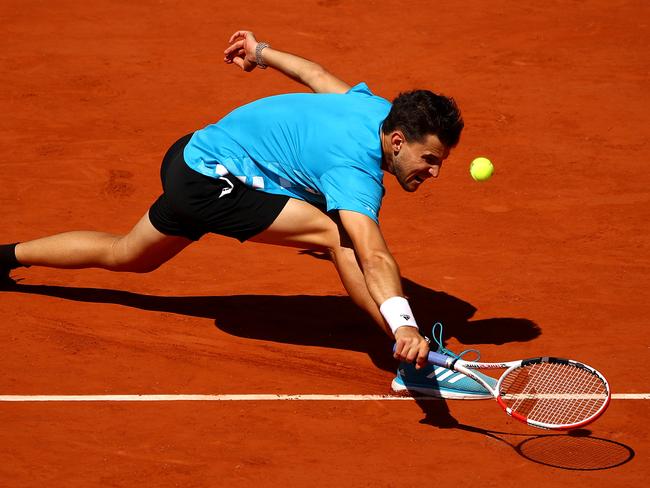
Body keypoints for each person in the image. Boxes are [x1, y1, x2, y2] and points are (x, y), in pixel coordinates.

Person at [1, 30, 495, 399]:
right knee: (338, 235)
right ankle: (415, 365)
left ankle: (4, 257)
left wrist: (261, 54)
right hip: (212, 182)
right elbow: (373, 252)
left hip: (194, 155)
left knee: (126, 255)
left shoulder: (376, 110)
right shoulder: (353, 171)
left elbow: (316, 75)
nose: (433, 173)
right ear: (396, 141)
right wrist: (406, 325)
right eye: (429, 160)